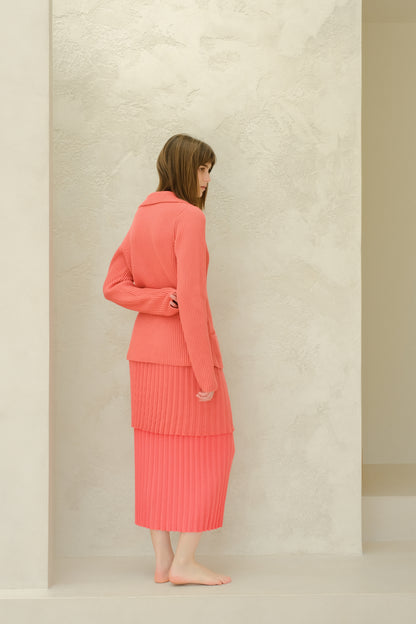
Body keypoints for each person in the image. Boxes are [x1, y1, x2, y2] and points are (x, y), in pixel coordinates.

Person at [103, 133, 235, 586]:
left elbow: (114, 285)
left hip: (145, 358)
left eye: (209, 170)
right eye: (202, 168)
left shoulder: (144, 214)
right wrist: (205, 371)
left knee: (156, 455)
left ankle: (163, 560)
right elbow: (191, 301)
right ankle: (185, 562)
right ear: (182, 167)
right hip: (183, 358)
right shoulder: (189, 218)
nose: (207, 179)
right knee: (214, 450)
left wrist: (158, 300)